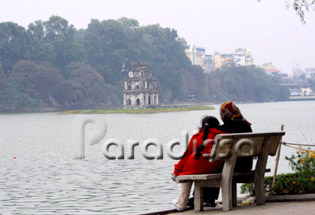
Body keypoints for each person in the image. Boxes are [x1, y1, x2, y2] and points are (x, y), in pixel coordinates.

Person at [201, 101, 253, 206]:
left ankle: (204, 199)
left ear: (225, 114)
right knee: (219, 166)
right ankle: (208, 199)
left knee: (211, 167)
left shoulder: (224, 129)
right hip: (247, 165)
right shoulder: (247, 126)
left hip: (233, 166)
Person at [171, 116, 225, 212]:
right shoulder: (222, 136)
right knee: (189, 170)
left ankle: (181, 204)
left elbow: (186, 155)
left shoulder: (196, 136)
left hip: (194, 166)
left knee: (186, 175)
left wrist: (177, 170)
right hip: (214, 167)